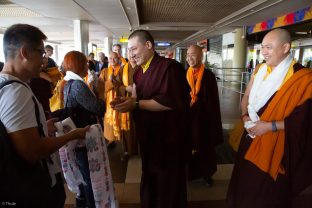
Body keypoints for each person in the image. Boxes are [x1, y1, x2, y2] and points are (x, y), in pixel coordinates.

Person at [0, 24, 89, 207]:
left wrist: (41, 126)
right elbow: (34, 151)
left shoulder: (4, 83)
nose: (44, 61)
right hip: (30, 188)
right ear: (24, 52)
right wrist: (72, 135)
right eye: (41, 54)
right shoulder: (17, 92)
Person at [226, 28, 312, 208]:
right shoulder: (259, 69)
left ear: (285, 47)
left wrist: (269, 127)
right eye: (262, 47)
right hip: (250, 137)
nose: (263, 51)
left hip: (276, 146)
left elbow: (304, 121)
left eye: (269, 47)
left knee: (268, 194)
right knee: (243, 184)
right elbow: (247, 97)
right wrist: (244, 117)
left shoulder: (303, 78)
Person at [112, 29, 190, 208]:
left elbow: (170, 101)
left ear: (148, 45)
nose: (130, 54)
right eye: (128, 50)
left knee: (168, 184)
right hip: (149, 137)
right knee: (150, 176)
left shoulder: (169, 67)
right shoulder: (139, 72)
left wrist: (136, 104)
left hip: (168, 139)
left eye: (133, 49)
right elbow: (139, 96)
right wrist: (126, 101)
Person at [62, 51, 106, 208]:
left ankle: (83, 202)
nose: (88, 65)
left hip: (76, 136)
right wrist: (100, 92)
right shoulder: (78, 85)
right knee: (89, 176)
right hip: (83, 137)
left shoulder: (68, 83)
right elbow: (98, 108)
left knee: (82, 174)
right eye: (85, 62)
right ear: (79, 65)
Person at [186, 45, 223, 186]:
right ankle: (189, 174)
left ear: (201, 57)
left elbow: (213, 103)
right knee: (188, 148)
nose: (190, 58)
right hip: (188, 121)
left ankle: (207, 174)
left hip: (204, 122)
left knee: (205, 150)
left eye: (193, 55)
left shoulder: (208, 76)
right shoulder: (184, 75)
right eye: (188, 55)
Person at [97, 52, 122, 146]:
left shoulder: (123, 70)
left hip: (120, 99)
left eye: (115, 58)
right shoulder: (105, 71)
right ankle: (111, 139)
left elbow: (125, 85)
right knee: (110, 122)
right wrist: (110, 82)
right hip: (109, 101)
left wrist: (115, 82)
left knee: (121, 120)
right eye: (110, 58)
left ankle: (123, 142)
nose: (112, 60)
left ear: (119, 59)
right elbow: (100, 87)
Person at [118, 52, 139, 160]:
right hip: (126, 101)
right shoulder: (123, 69)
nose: (132, 55)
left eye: (134, 53)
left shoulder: (143, 67)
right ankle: (127, 151)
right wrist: (126, 89)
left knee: (140, 126)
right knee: (127, 128)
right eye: (130, 53)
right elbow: (118, 84)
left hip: (141, 102)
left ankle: (141, 150)